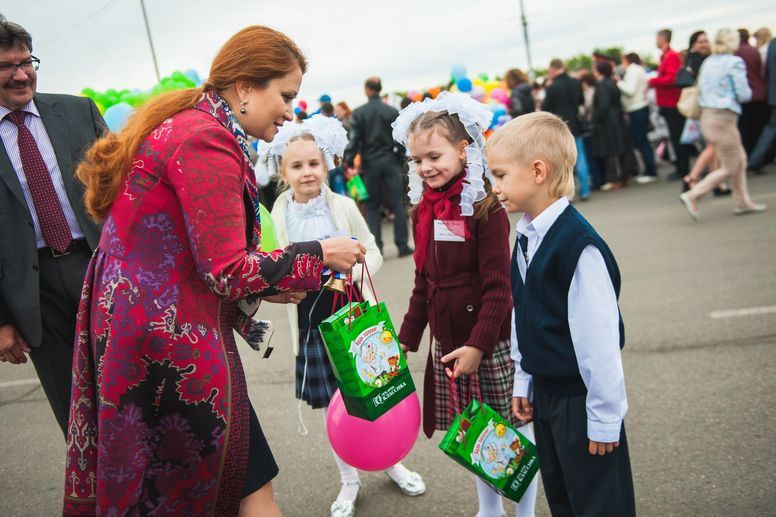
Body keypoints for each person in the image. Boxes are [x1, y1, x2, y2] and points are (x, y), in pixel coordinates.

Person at [64, 26, 366, 516]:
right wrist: (319, 253)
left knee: (243, 480)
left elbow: (196, 255)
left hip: (145, 329)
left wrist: (273, 281)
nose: (290, 110)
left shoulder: (191, 122)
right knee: (234, 480)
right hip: (167, 342)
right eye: (285, 95)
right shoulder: (206, 137)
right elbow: (225, 270)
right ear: (246, 87)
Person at [267, 115, 425, 517]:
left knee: (372, 392)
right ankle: (349, 479)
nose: (307, 172)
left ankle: (390, 460)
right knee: (335, 405)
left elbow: (372, 249)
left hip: (355, 312)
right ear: (284, 172)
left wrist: (350, 267)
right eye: (297, 166)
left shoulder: (344, 206)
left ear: (327, 164)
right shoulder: (277, 214)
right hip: (310, 319)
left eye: (314, 164)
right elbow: (269, 264)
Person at [393, 92, 538, 517]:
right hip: (449, 342)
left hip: (487, 343)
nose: (426, 168)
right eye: (418, 160)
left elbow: (499, 287)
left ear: (463, 149)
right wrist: (406, 338)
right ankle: (489, 508)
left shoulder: (484, 205)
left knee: (512, 429)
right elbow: (425, 282)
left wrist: (479, 345)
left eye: (434, 155)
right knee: (473, 429)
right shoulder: (423, 209)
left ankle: (525, 511)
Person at [486, 111, 635, 516]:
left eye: (500, 175)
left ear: (538, 170)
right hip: (548, 397)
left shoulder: (578, 246)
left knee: (600, 503)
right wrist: (524, 377)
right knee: (564, 500)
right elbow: (525, 315)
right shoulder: (526, 235)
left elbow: (599, 341)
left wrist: (605, 418)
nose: (493, 187)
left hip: (580, 401)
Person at [0, 16, 105, 436]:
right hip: (34, 294)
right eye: (7, 66)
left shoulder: (78, 113)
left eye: (28, 61)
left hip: (99, 268)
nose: (22, 74)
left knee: (139, 389)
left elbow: (126, 193)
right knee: (77, 413)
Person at [680, 28, 766, 220]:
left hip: (707, 117)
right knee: (730, 165)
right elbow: (744, 93)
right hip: (724, 117)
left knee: (739, 159)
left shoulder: (709, 62)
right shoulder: (734, 62)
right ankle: (693, 194)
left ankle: (742, 201)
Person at [344, 77, 413, 257]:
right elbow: (400, 138)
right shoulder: (390, 110)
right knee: (398, 203)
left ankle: (378, 248)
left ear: (367, 90)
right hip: (390, 161)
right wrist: (399, 158)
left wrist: (349, 161)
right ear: (380, 89)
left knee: (372, 206)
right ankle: (402, 245)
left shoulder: (359, 113)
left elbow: (354, 139)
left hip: (370, 163)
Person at [542, 58, 591, 199]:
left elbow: (545, 108)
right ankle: (585, 190)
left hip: (560, 127)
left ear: (552, 69)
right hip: (576, 124)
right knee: (581, 157)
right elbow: (581, 102)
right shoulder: (576, 83)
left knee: (564, 162)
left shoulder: (552, 87)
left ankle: (569, 194)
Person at [649, 28, 691, 181]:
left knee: (678, 137)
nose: (656, 41)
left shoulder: (671, 56)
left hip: (672, 102)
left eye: (657, 38)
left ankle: (683, 169)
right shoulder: (666, 56)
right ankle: (681, 168)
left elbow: (671, 79)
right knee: (675, 137)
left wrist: (652, 81)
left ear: (663, 38)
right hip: (667, 102)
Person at [617, 52, 657, 183]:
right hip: (639, 107)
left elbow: (630, 90)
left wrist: (619, 82)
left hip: (637, 108)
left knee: (641, 141)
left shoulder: (633, 70)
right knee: (642, 141)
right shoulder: (638, 69)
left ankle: (650, 171)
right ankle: (650, 169)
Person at [592, 61, 630, 190]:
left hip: (608, 121)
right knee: (622, 149)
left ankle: (613, 179)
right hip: (618, 118)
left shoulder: (602, 85)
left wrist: (596, 118)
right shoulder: (613, 82)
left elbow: (603, 105)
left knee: (610, 151)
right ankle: (625, 176)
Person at [736, 29, 768, 155]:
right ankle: (760, 156)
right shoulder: (755, 50)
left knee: (745, 130)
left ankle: (749, 155)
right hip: (760, 93)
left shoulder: (736, 53)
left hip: (746, 96)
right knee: (758, 128)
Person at [748, 36, 776, 172]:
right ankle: (756, 159)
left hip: (772, 93)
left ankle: (756, 159)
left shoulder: (772, 45)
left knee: (771, 128)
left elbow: (766, 71)